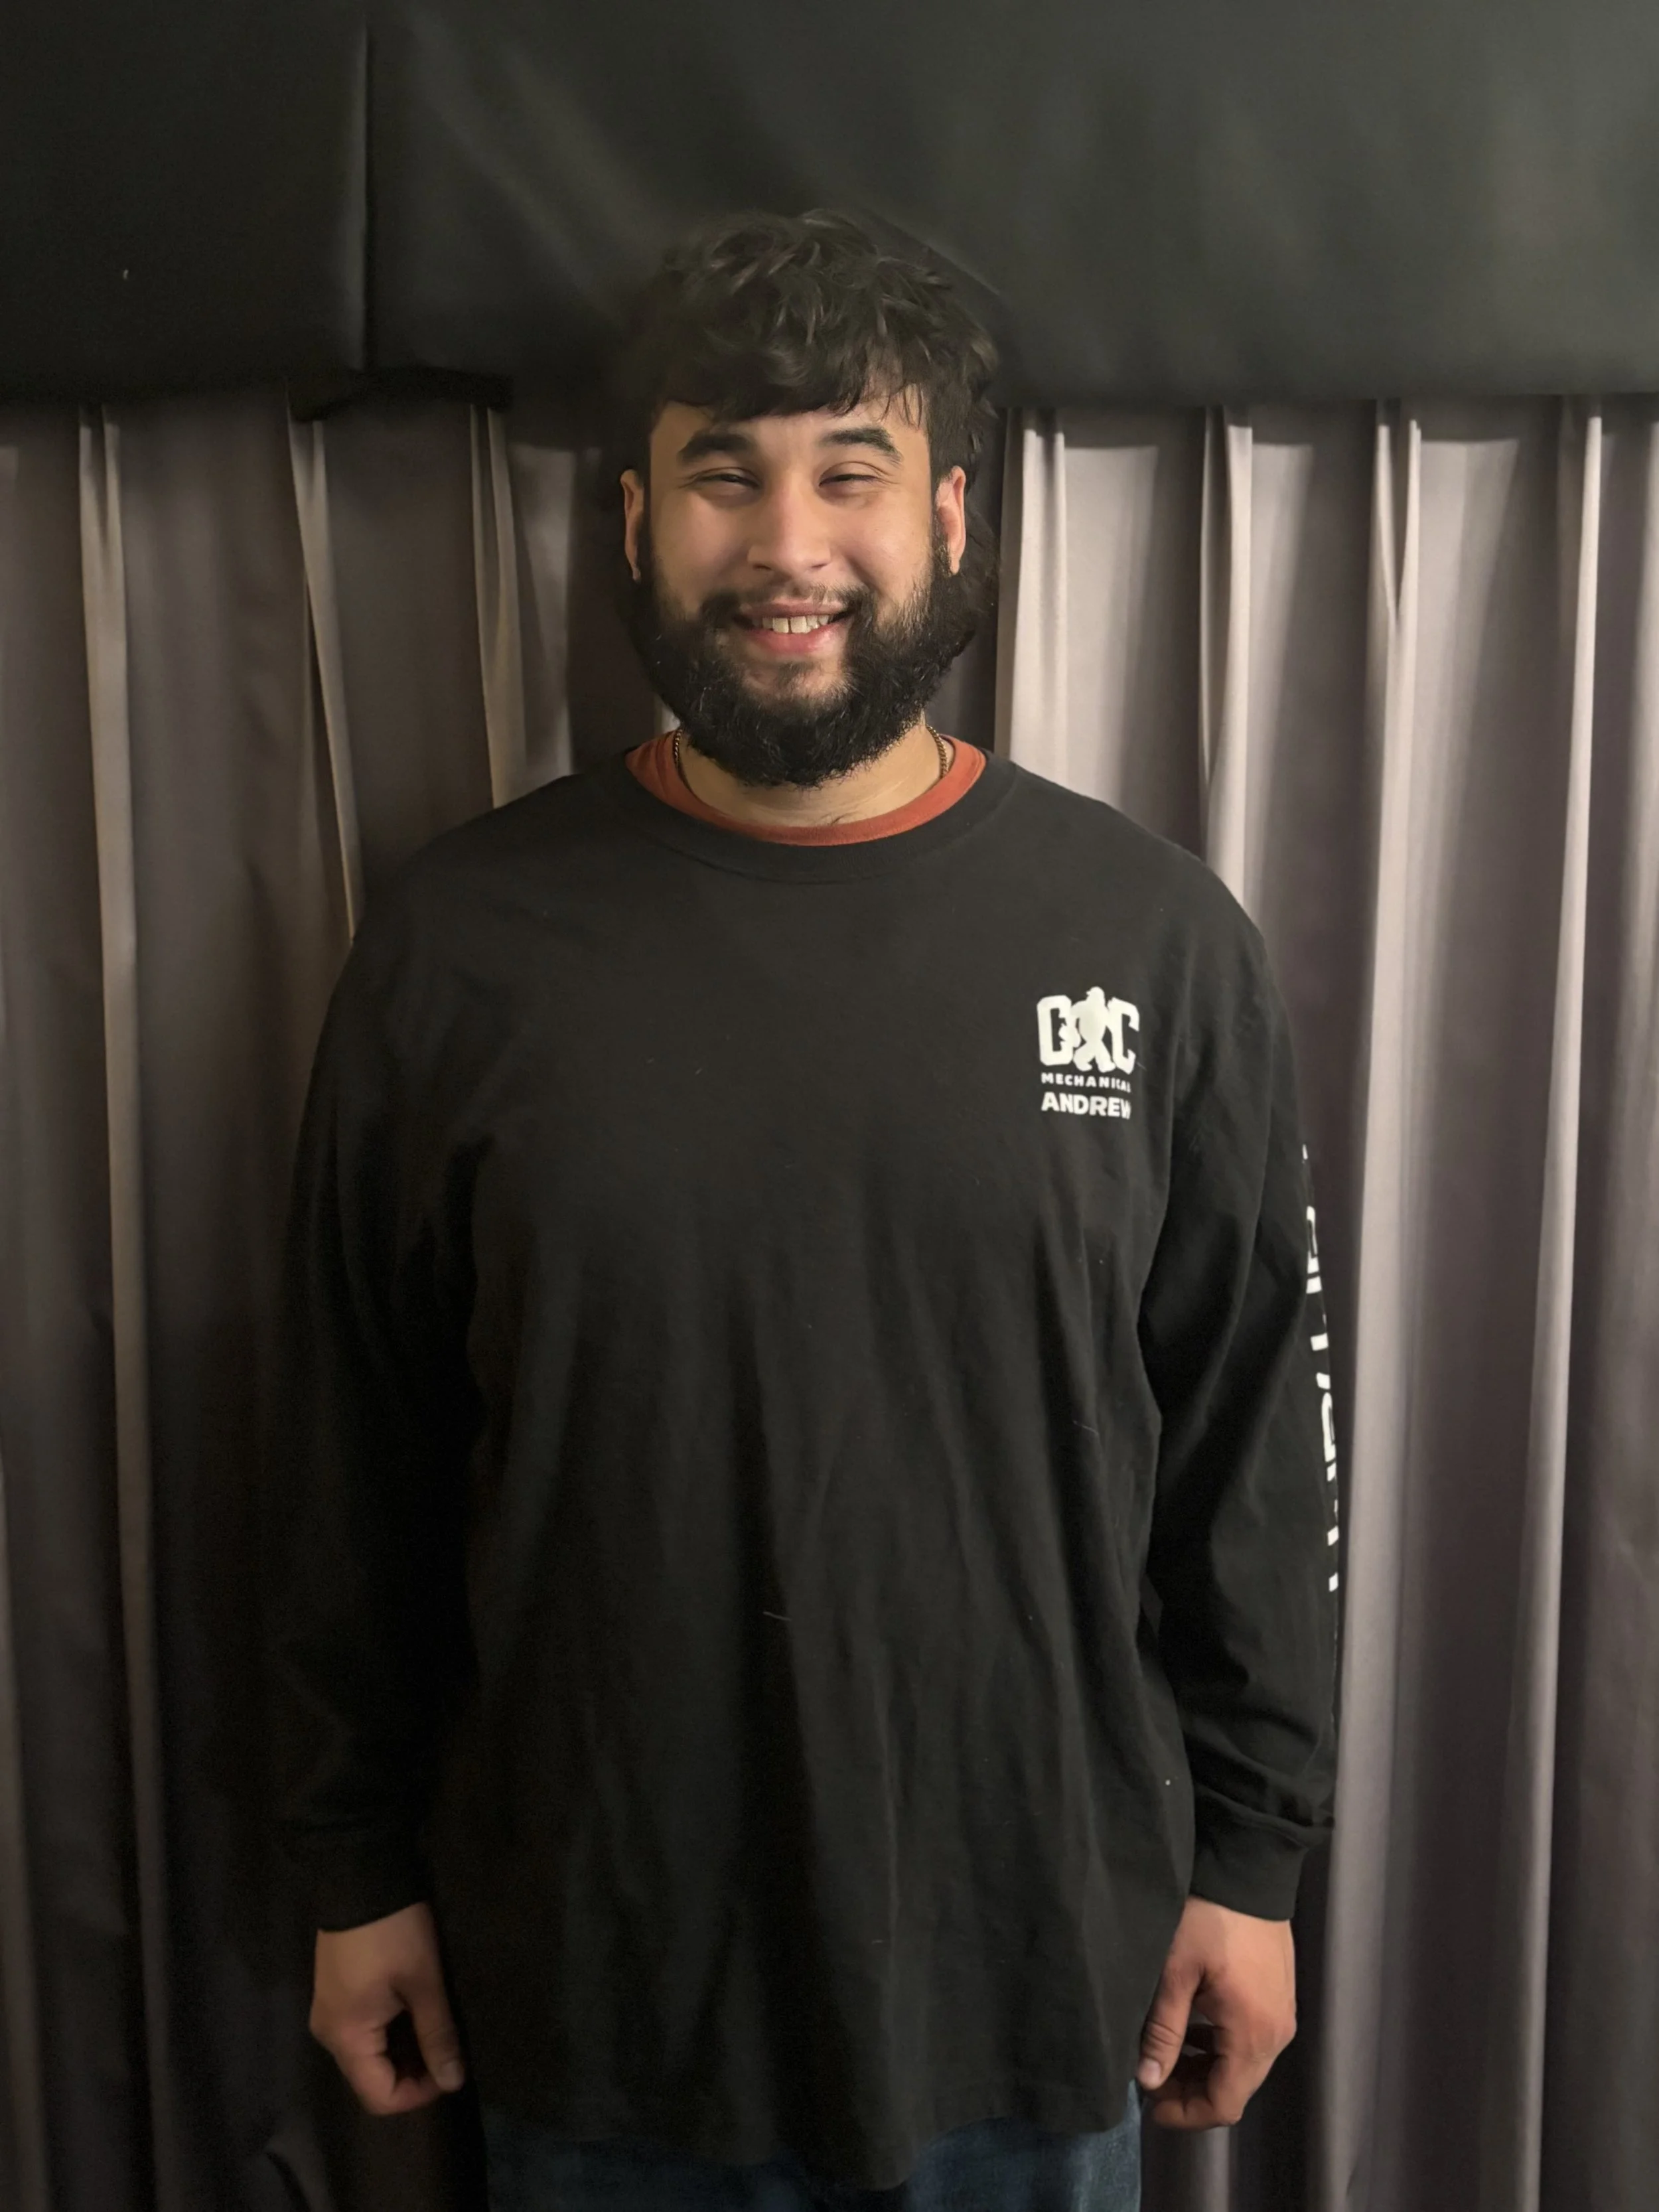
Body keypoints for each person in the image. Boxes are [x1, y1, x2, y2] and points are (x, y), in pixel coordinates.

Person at [267, 208, 1339, 2212]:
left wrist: (1254, 1858)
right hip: (595, 2002)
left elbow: (1251, 1448)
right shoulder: (457, 946)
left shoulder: (1152, 942)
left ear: (948, 514)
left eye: (848, 473)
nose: (787, 546)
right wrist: (353, 1870)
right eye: (721, 475)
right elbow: (357, 1457)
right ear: (627, 521)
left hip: (1037, 1993)